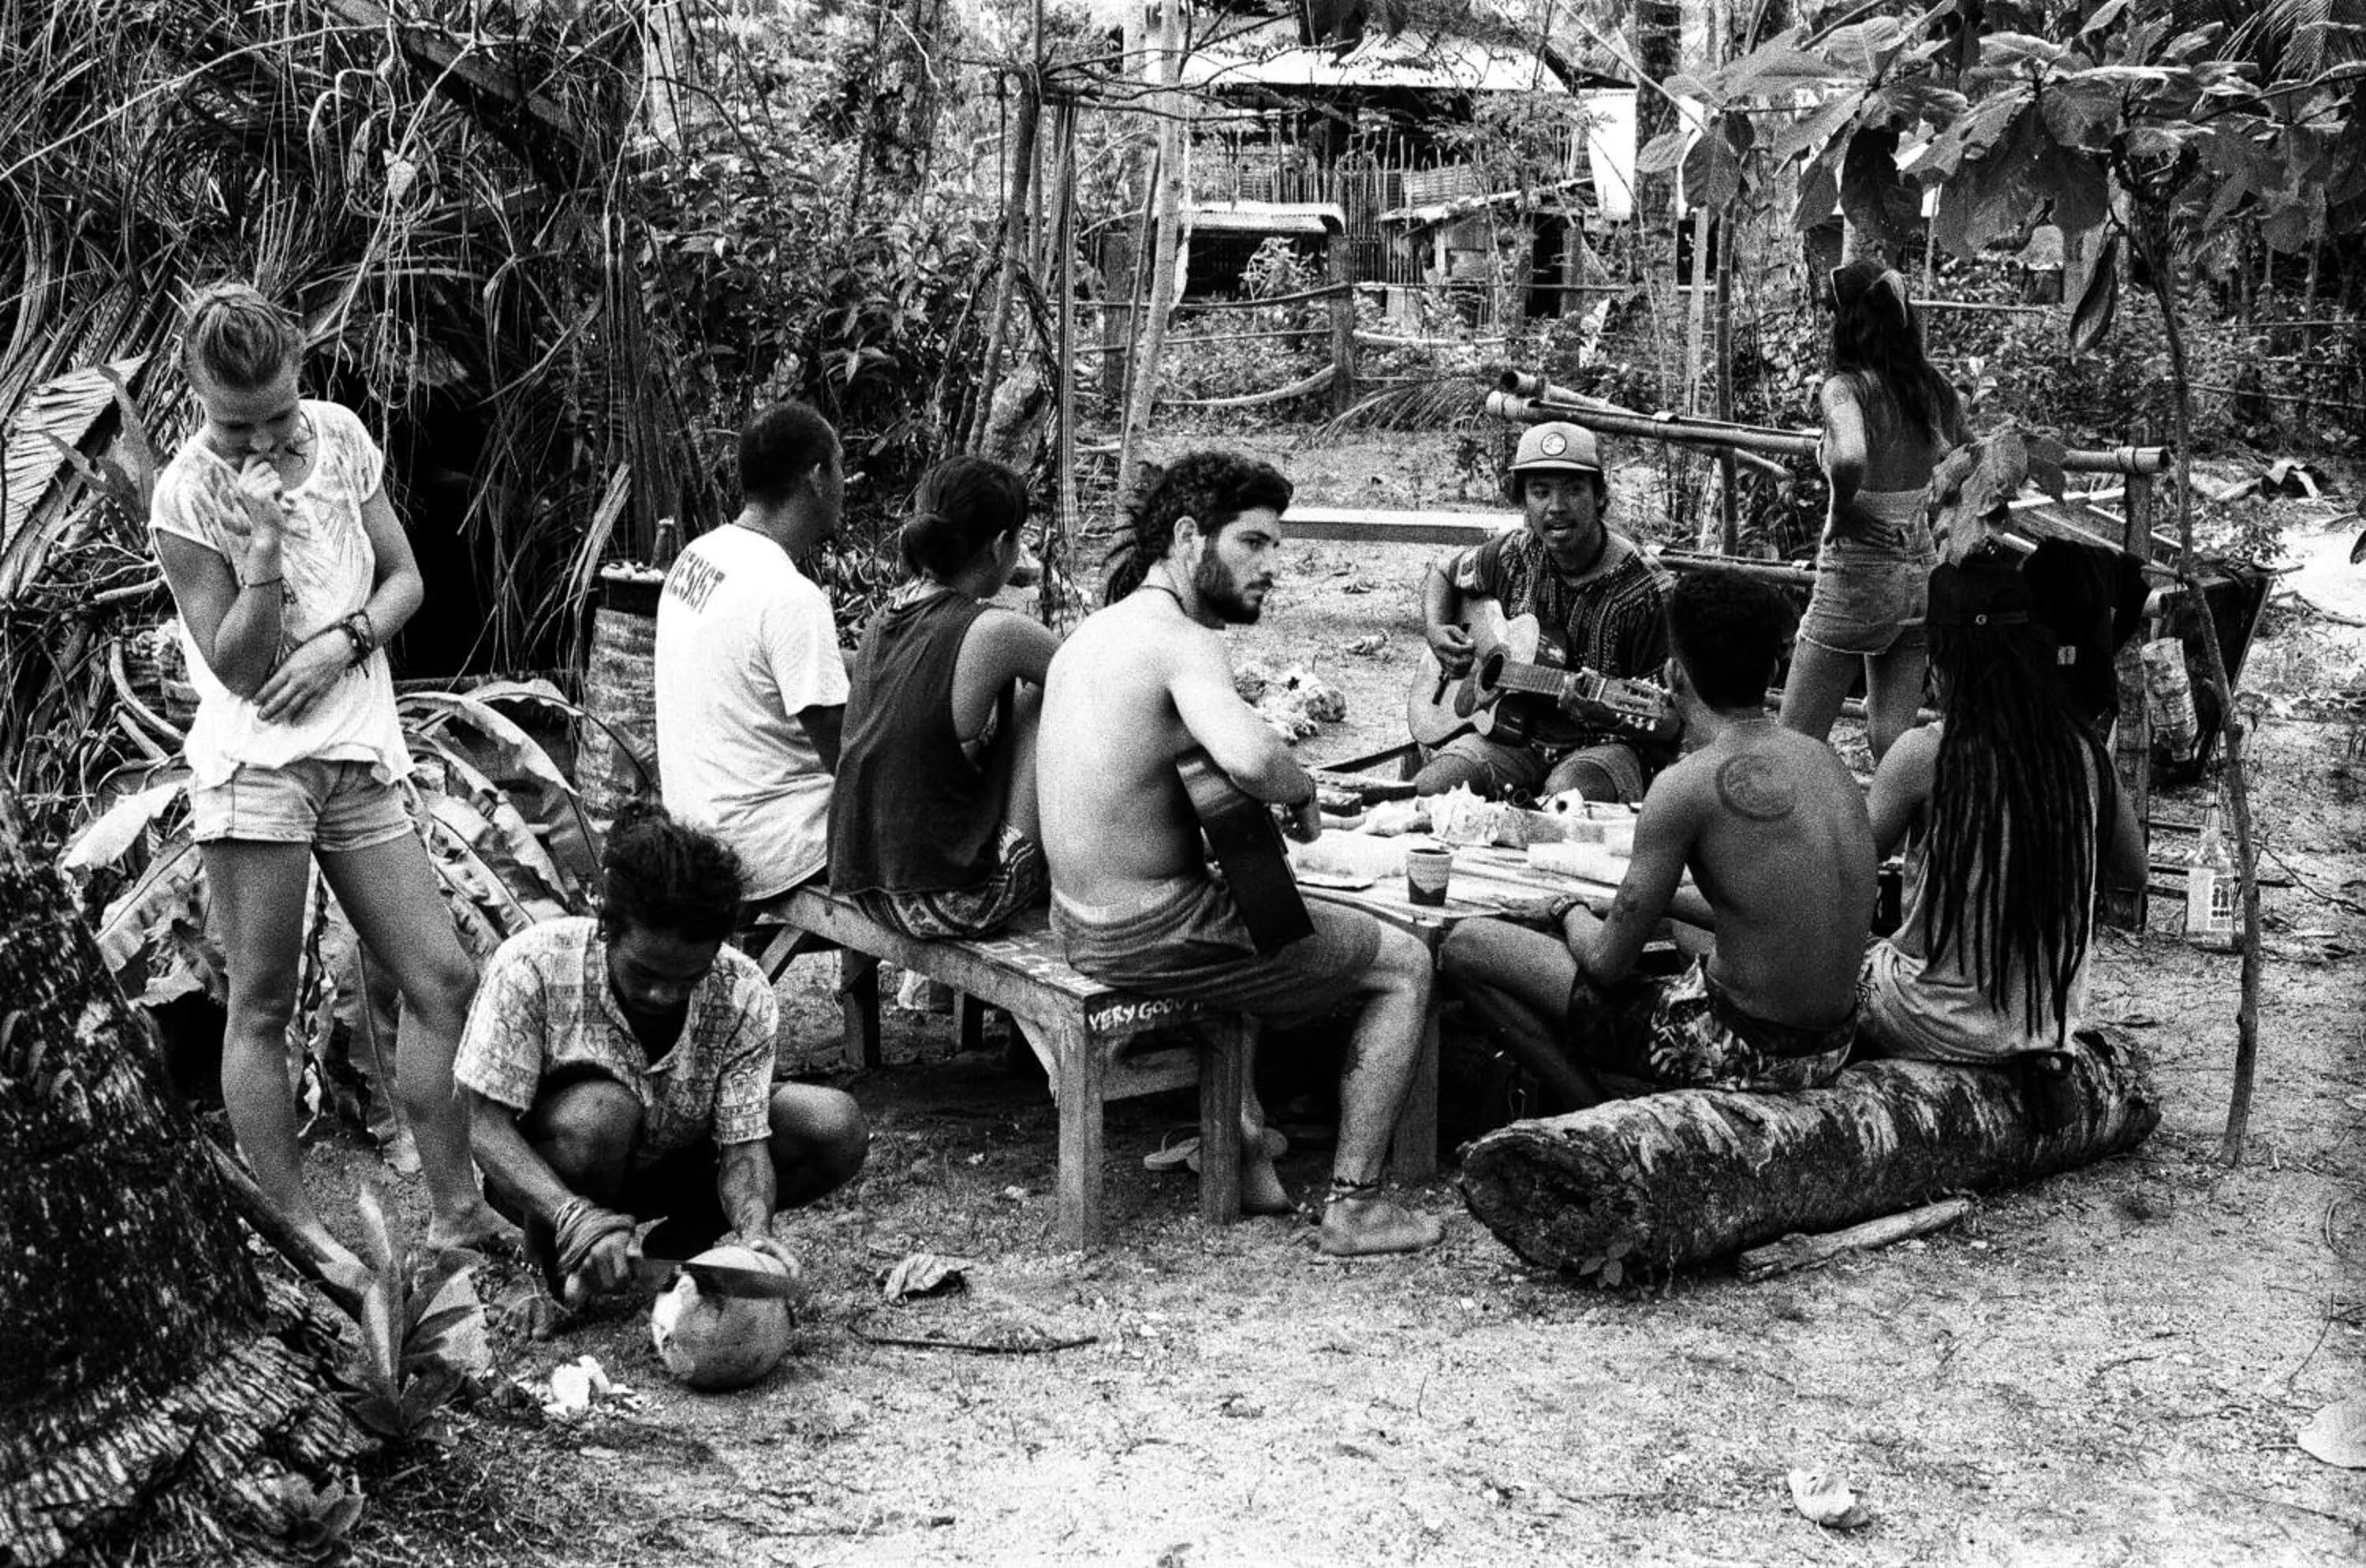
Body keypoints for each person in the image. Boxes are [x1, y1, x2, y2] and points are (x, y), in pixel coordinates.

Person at [147, 282, 503, 1293]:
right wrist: (260, 553)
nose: (259, 441)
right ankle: (303, 1235)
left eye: (276, 416)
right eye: (232, 423)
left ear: (302, 375)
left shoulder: (342, 439)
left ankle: (456, 1207)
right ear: (195, 397)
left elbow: (404, 579)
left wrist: (347, 640)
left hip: (358, 753)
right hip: (254, 770)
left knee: (441, 979)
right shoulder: (185, 495)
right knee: (261, 1004)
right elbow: (240, 669)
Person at [1037, 452, 1442, 1256]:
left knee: (1253, 901)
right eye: (1253, 543)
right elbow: (1254, 758)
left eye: (1276, 549)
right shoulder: (1183, 640)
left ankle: (1248, 1142)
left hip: (1077, 917)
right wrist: (1300, 794)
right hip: (1149, 929)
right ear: (1190, 539)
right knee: (1405, 962)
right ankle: (1357, 1205)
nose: (1272, 568)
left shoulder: (1097, 631)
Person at [1440, 569, 1876, 1111]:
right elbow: (1781, 908)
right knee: (1687, 938)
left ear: (1673, 674)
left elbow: (1604, 965)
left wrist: (1566, 907)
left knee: (1466, 945)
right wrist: (1666, 903)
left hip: (1741, 1053)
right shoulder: (1824, 760)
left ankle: (1598, 1112)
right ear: (1771, 668)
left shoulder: (1686, 785)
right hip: (1832, 1045)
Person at [456, 802, 869, 1303]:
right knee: (602, 1115)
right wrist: (573, 1215)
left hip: (677, 1164)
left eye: (688, 979)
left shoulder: (740, 990)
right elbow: (485, 1127)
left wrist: (754, 1232)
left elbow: (743, 1146)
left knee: (833, 1124)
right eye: (646, 975)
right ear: (607, 927)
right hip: (553, 1179)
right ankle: (554, 1272)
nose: (664, 996)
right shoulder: (532, 967)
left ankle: (682, 1244)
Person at [1857, 547, 2146, 1061]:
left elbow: (1845, 873)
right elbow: (2133, 871)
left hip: (1932, 1021)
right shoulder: (2080, 748)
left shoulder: (1925, 753)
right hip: (2045, 1028)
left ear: (1941, 663)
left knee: (1839, 965)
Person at [829, 456, 1055, 939]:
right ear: (1000, 546)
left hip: (867, 889)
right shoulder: (998, 632)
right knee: (1048, 698)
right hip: (952, 901)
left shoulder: (881, 620)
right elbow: (1095, 682)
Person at [1416, 421, 1671, 804]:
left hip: (1605, 746)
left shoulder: (1645, 589)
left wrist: (1602, 711)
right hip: (1510, 738)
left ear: (1599, 495)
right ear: (1524, 500)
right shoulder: (1515, 553)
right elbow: (1443, 574)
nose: (1556, 507)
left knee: (1568, 802)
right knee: (1432, 789)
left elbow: (1667, 719)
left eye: (1573, 490)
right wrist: (1436, 630)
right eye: (1540, 492)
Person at [655, 401, 848, 902]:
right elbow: (848, 761)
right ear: (817, 476)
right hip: (772, 849)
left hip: (698, 826)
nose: (845, 483)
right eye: (841, 465)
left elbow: (751, 660)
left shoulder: (698, 555)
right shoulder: (791, 595)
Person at [1778, 259, 1970, 761]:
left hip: (1857, 576)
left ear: (1844, 323)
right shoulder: (1933, 389)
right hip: (1920, 576)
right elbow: (1972, 452)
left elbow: (1851, 456)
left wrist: (1845, 509)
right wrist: (1940, 504)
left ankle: (1794, 839)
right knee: (1892, 741)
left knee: (1793, 742)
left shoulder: (1846, 389)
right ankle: (1907, 838)